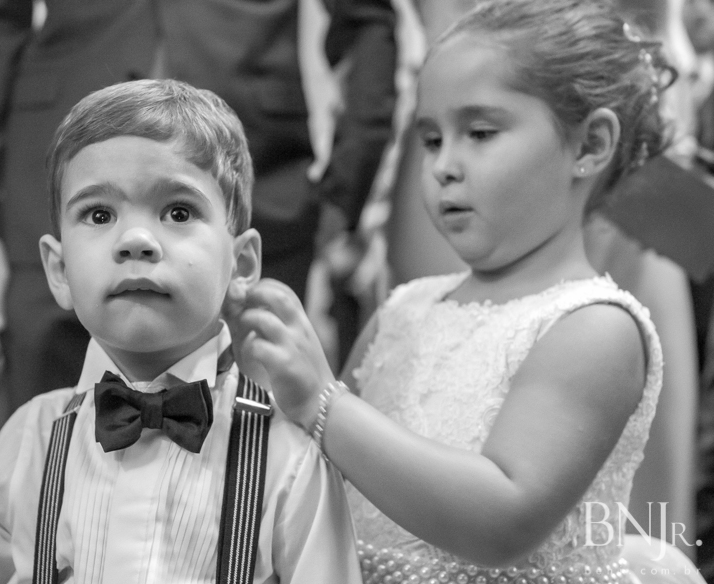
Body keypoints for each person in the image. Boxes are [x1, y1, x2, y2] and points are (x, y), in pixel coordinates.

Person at [228, 1, 706, 582]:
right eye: (431, 140)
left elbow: (501, 519)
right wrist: (262, 380)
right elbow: (320, 470)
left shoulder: (593, 328)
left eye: (479, 133)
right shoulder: (401, 311)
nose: (443, 166)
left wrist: (322, 403)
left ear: (589, 145)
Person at [0, 79, 362, 583]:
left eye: (178, 211)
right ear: (59, 270)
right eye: (99, 214)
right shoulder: (33, 438)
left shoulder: (288, 458)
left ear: (242, 264)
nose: (136, 239)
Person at [0, 0, 398, 424]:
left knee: (259, 450)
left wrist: (345, 185)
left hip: (259, 177)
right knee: (44, 454)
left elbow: (365, 21)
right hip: (54, 180)